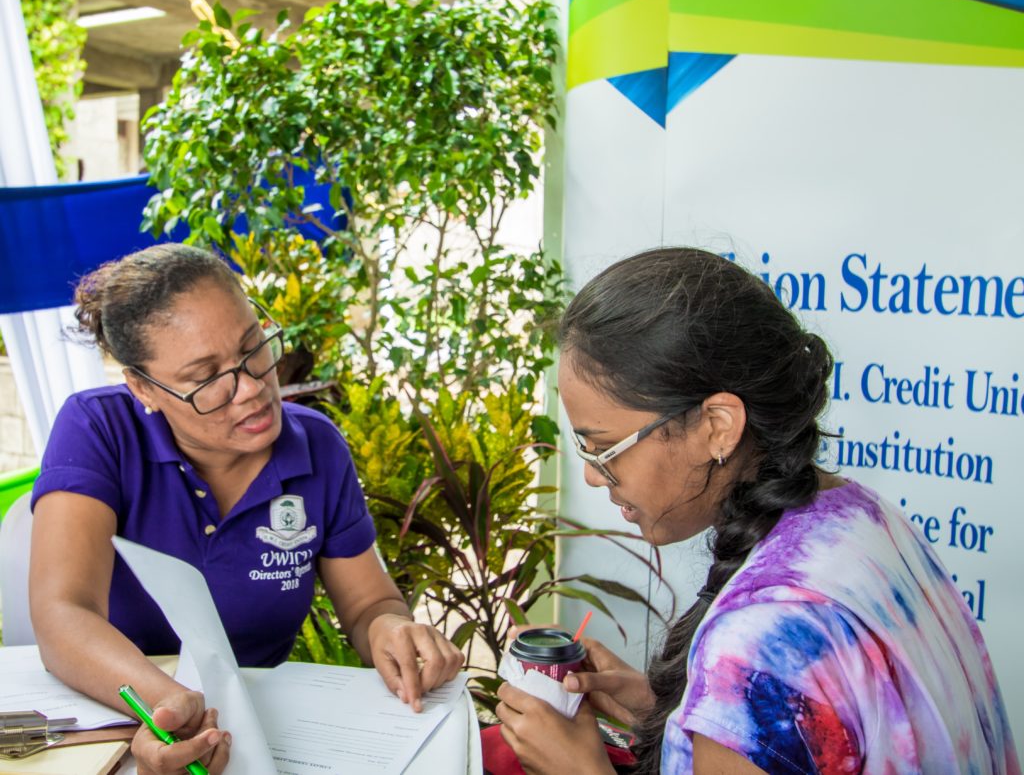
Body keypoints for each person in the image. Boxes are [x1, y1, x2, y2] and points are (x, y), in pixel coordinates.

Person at [493, 247, 1019, 774]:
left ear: (718, 427)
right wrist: (675, 717)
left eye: (604, 448)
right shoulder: (861, 516)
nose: (592, 474)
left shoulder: (760, 642)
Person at [29, 243, 464, 775]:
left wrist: (390, 629)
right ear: (144, 387)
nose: (252, 389)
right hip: (118, 726)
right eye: (206, 379)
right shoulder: (98, 429)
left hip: (267, 734)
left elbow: (369, 603)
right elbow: (64, 613)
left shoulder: (316, 448)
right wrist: (170, 708)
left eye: (253, 347)